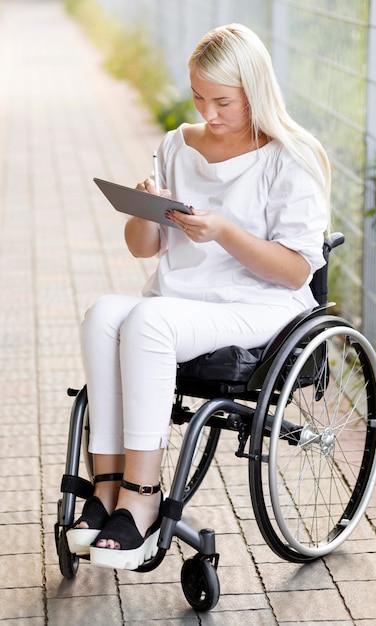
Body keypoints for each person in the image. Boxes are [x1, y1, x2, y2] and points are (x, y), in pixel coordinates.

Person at [66, 23, 331, 571]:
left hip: (256, 306)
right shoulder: (178, 144)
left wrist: (227, 233)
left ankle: (143, 495)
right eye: (198, 97)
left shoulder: (290, 156)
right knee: (102, 315)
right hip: (181, 298)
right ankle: (108, 486)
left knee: (147, 323)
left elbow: (296, 270)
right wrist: (147, 210)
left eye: (223, 101)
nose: (208, 113)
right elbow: (144, 249)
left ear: (254, 90)